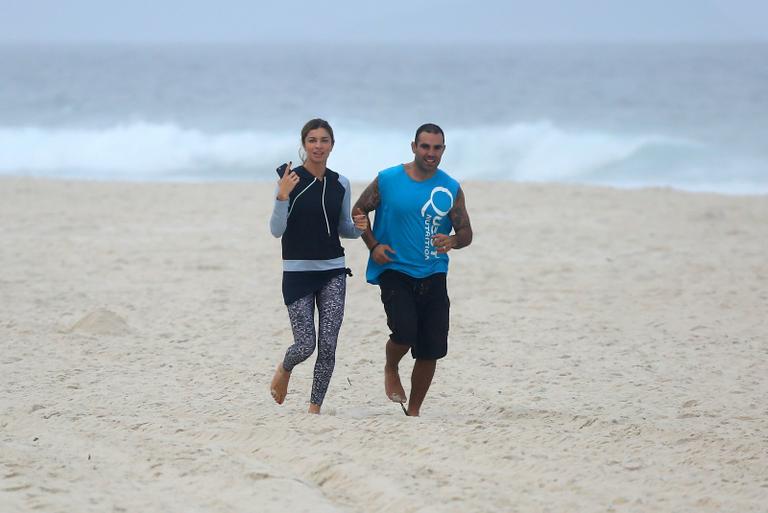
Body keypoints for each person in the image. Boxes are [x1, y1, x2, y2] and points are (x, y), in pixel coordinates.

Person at [353, 123, 473, 416]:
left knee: (431, 347)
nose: (430, 153)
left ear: (443, 150)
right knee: (405, 332)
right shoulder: (388, 179)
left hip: (434, 273)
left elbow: (467, 232)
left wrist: (455, 240)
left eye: (436, 148)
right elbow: (358, 211)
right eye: (425, 146)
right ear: (414, 147)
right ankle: (391, 366)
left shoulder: (451, 187)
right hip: (395, 269)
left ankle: (414, 411)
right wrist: (373, 245)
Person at [269, 118, 368, 414]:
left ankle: (315, 408)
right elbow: (276, 229)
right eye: (312, 140)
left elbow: (343, 229)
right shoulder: (290, 179)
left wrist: (360, 227)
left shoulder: (341, 183)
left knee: (328, 344)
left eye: (324, 140)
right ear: (304, 144)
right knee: (305, 345)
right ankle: (285, 368)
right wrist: (282, 194)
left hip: (333, 271)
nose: (318, 146)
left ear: (332, 145)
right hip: (298, 272)